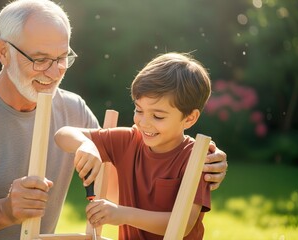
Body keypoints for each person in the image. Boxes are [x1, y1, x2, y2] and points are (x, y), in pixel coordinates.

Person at [0, 1, 228, 239]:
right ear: (3, 52)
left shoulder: (73, 108)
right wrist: (6, 210)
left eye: (62, 58)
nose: (55, 71)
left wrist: (202, 166)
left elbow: (119, 191)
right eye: (40, 59)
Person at [55, 52, 216, 239]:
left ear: (189, 118)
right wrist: (85, 145)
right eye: (139, 110)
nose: (144, 123)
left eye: (158, 116)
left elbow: (184, 224)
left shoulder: (197, 159)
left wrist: (122, 214)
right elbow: (62, 134)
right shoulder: (129, 141)